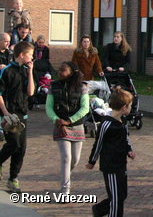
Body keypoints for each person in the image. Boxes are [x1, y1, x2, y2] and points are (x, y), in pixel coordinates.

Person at [86, 88, 135, 217]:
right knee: (116, 198)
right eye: (130, 106)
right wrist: (92, 161)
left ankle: (99, 210)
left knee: (122, 194)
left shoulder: (122, 121)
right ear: (124, 107)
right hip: (111, 165)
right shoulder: (106, 124)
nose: (131, 108)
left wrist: (129, 150)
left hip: (121, 163)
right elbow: (98, 143)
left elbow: (125, 138)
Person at [45, 61, 89, 195]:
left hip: (76, 125)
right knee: (66, 157)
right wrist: (57, 120)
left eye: (63, 70)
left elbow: (85, 108)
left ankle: (65, 174)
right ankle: (65, 190)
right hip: (60, 125)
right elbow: (48, 107)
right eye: (58, 70)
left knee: (75, 160)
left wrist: (69, 121)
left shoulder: (82, 87)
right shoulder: (54, 86)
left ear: (71, 72)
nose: (59, 72)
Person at [0, 41, 35, 193]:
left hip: (23, 113)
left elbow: (31, 92)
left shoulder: (26, 70)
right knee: (13, 144)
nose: (32, 58)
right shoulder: (7, 71)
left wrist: (30, 73)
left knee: (21, 149)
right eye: (30, 55)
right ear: (22, 55)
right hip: (10, 114)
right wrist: (5, 113)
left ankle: (13, 178)